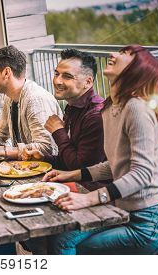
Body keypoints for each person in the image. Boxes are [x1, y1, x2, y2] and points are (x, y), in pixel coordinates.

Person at [43, 45, 158, 254]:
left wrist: (88, 198)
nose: (113, 54)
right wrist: (73, 174)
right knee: (61, 235)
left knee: (70, 244)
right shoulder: (110, 107)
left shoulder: (136, 108)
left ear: (137, 70)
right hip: (122, 209)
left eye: (125, 55)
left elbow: (142, 174)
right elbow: (116, 165)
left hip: (147, 222)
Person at [22, 49, 109, 191]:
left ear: (88, 82)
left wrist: (58, 132)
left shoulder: (95, 116)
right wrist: (44, 158)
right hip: (75, 186)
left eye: (67, 76)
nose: (57, 81)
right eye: (56, 74)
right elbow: (68, 159)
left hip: (93, 193)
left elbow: (80, 169)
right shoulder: (72, 106)